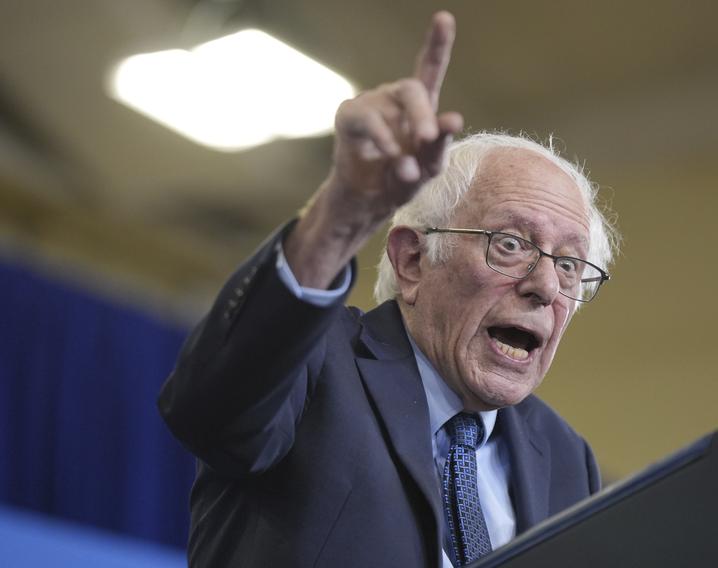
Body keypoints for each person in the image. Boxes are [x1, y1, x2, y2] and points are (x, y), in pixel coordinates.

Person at [158, 11, 619, 568]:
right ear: (412, 261)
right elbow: (208, 407)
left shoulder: (569, 460)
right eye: (510, 244)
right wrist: (342, 213)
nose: (546, 285)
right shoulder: (315, 363)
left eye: (570, 265)